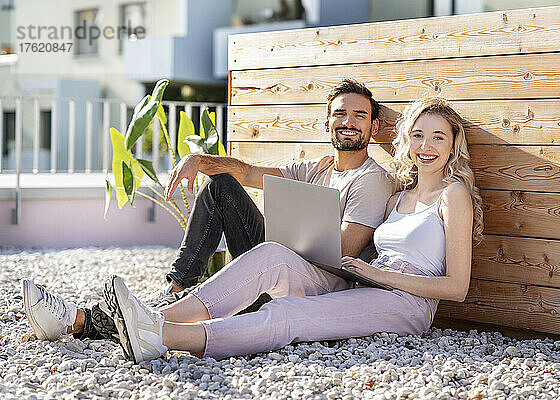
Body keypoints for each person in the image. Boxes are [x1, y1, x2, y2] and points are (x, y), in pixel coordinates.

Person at [99, 96, 485, 363]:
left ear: (453, 147)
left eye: (438, 137)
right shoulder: (401, 195)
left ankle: (162, 337)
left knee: (290, 313)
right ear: (406, 141)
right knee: (271, 254)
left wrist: (380, 274)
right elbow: (251, 175)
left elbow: (457, 288)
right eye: (418, 135)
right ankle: (157, 317)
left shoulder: (454, 195)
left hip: (408, 305)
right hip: (368, 285)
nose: (426, 146)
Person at [21, 79, 395, 343]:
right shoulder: (317, 167)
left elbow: (345, 253)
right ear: (327, 121)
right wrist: (199, 159)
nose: (349, 122)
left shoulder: (372, 179)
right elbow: (248, 173)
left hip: (318, 286)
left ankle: (82, 321)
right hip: (275, 262)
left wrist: (286, 247)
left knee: (266, 254)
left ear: (373, 126)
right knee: (223, 186)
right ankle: (177, 287)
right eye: (341, 114)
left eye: (359, 116)